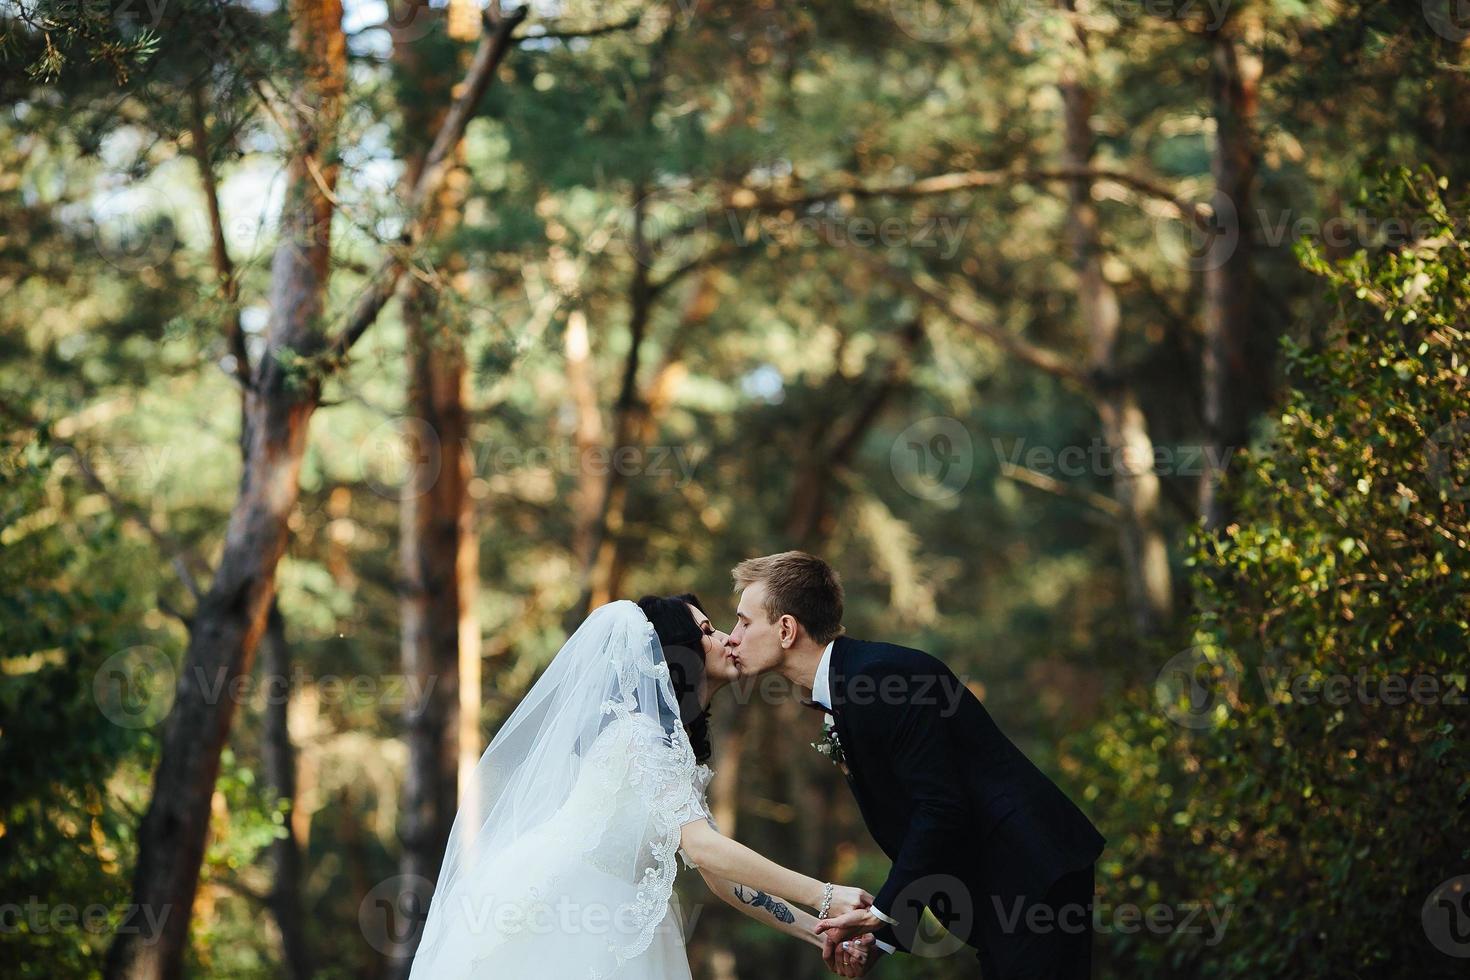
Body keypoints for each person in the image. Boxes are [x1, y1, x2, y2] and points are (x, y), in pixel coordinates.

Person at [408, 595, 875, 979]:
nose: (726, 639)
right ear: (676, 651)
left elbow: (722, 877)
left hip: (620, 915)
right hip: (570, 913)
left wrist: (819, 930)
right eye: (708, 631)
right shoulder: (639, 737)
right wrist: (824, 892)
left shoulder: (673, 747)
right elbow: (705, 849)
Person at [723, 552, 1106, 979]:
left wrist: (884, 913)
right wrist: (882, 937)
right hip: (1002, 889)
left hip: (1032, 875)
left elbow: (940, 809)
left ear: (787, 628)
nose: (732, 637)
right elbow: (919, 823)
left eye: (744, 621)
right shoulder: (851, 685)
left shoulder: (883, 680)